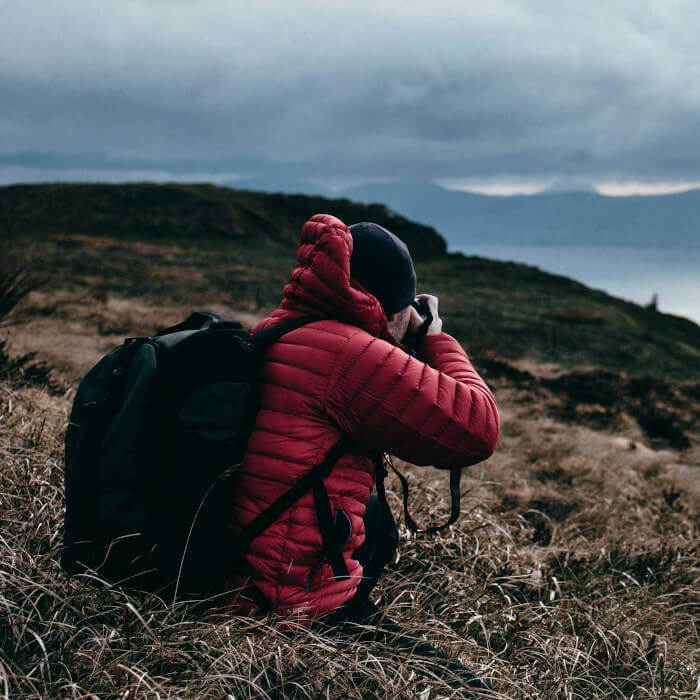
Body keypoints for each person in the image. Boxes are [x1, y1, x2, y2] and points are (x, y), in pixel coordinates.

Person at [227, 214, 500, 626]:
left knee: (374, 518)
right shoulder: (351, 354)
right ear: (392, 306)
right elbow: (477, 428)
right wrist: (434, 339)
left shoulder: (283, 326)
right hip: (281, 602)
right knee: (462, 685)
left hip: (229, 566)